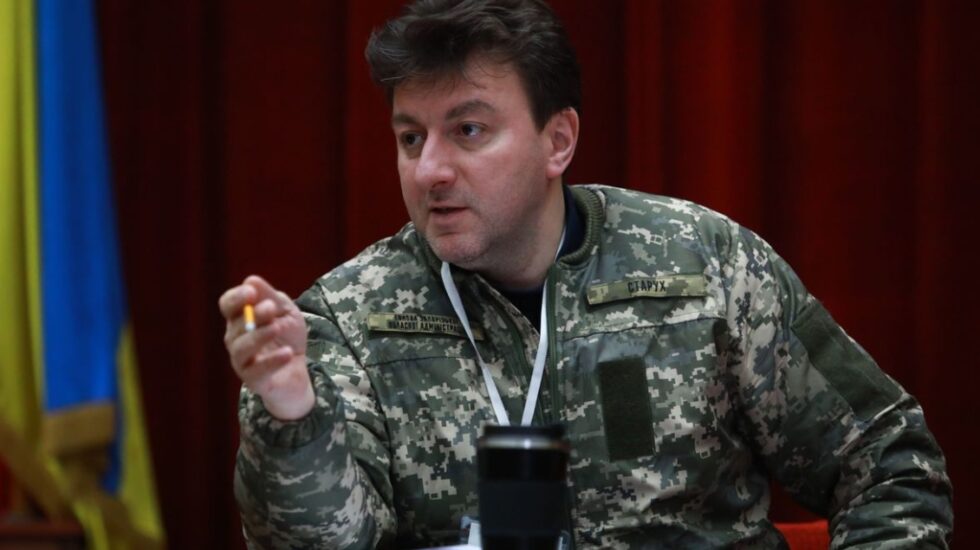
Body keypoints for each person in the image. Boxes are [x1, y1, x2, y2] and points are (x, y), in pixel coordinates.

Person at [218, 0, 954, 548]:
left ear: (558, 141)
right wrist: (291, 415)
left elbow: (889, 464)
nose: (430, 169)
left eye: (468, 130)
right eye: (411, 138)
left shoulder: (704, 264)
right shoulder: (348, 316)